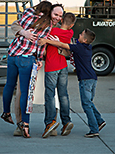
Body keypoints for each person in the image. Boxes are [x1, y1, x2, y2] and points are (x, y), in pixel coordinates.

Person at [2, 1, 57, 138]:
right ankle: (25, 124)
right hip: (26, 59)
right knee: (26, 93)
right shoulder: (47, 25)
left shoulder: (28, 12)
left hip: (12, 55)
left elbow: (16, 25)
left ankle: (6, 112)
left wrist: (23, 32)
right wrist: (39, 59)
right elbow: (40, 45)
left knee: (9, 85)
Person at [39, 29, 106, 138]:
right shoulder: (86, 46)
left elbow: (62, 45)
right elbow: (68, 42)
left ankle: (94, 129)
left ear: (84, 39)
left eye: (81, 34)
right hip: (92, 78)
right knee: (89, 102)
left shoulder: (79, 48)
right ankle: (100, 120)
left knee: (86, 105)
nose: (78, 35)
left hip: (85, 80)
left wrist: (46, 40)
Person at [42, 10, 74, 138]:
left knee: (50, 95)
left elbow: (43, 40)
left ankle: (50, 122)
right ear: (71, 25)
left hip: (52, 66)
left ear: (61, 20)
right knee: (63, 95)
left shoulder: (52, 32)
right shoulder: (70, 33)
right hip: (63, 66)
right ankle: (66, 121)